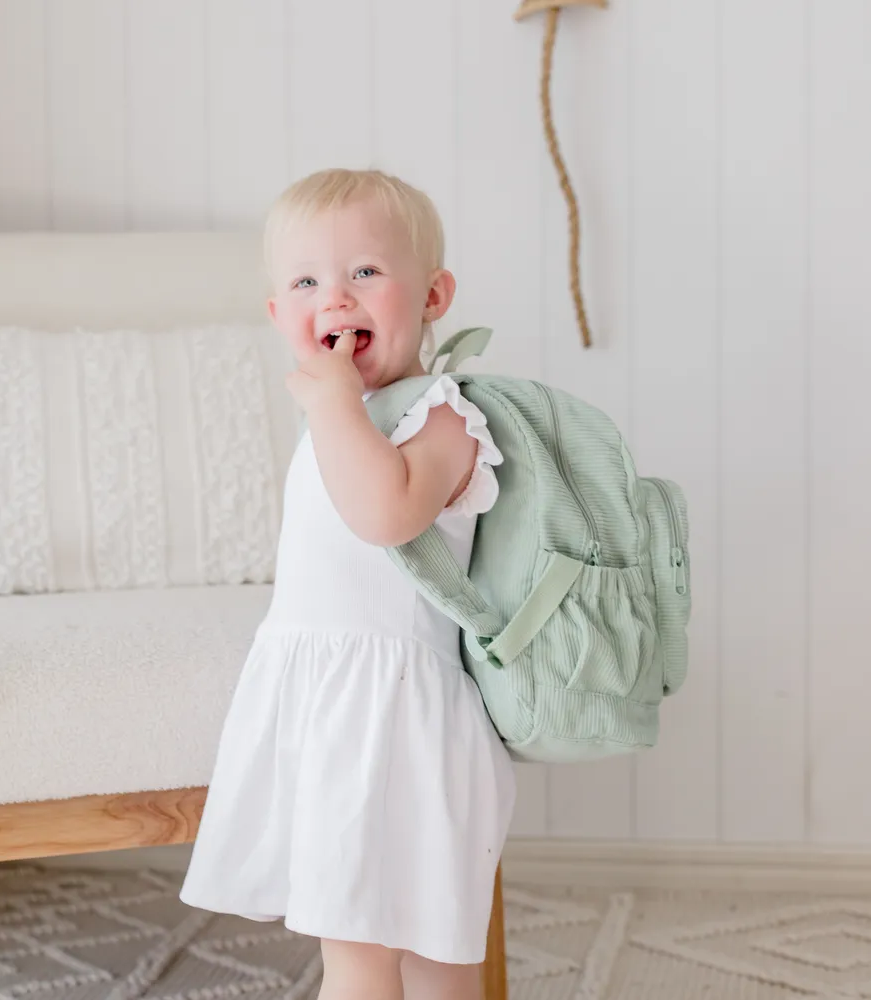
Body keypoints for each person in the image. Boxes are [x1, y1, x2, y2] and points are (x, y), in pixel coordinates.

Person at [180, 168, 516, 1000]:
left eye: (365, 272)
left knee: (425, 954)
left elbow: (388, 515)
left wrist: (332, 408)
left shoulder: (445, 413)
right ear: (277, 316)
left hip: (398, 727)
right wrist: (335, 411)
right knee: (357, 944)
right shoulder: (342, 417)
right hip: (329, 716)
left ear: (433, 294)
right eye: (305, 282)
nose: (335, 298)